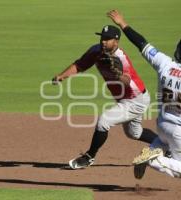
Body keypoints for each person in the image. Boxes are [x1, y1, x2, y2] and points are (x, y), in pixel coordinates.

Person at [107, 10, 181, 179]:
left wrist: (122, 23)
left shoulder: (164, 63)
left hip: (162, 126)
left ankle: (151, 151)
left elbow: (141, 43)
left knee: (163, 143)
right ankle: (153, 160)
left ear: (177, 52)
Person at [52, 25, 157, 169]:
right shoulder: (96, 51)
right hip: (126, 99)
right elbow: (79, 65)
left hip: (135, 99)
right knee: (134, 133)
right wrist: (62, 76)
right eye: (102, 37)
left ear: (116, 41)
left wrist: (118, 74)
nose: (103, 41)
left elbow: (127, 80)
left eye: (107, 39)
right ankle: (166, 145)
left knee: (104, 121)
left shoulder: (121, 58)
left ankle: (89, 157)